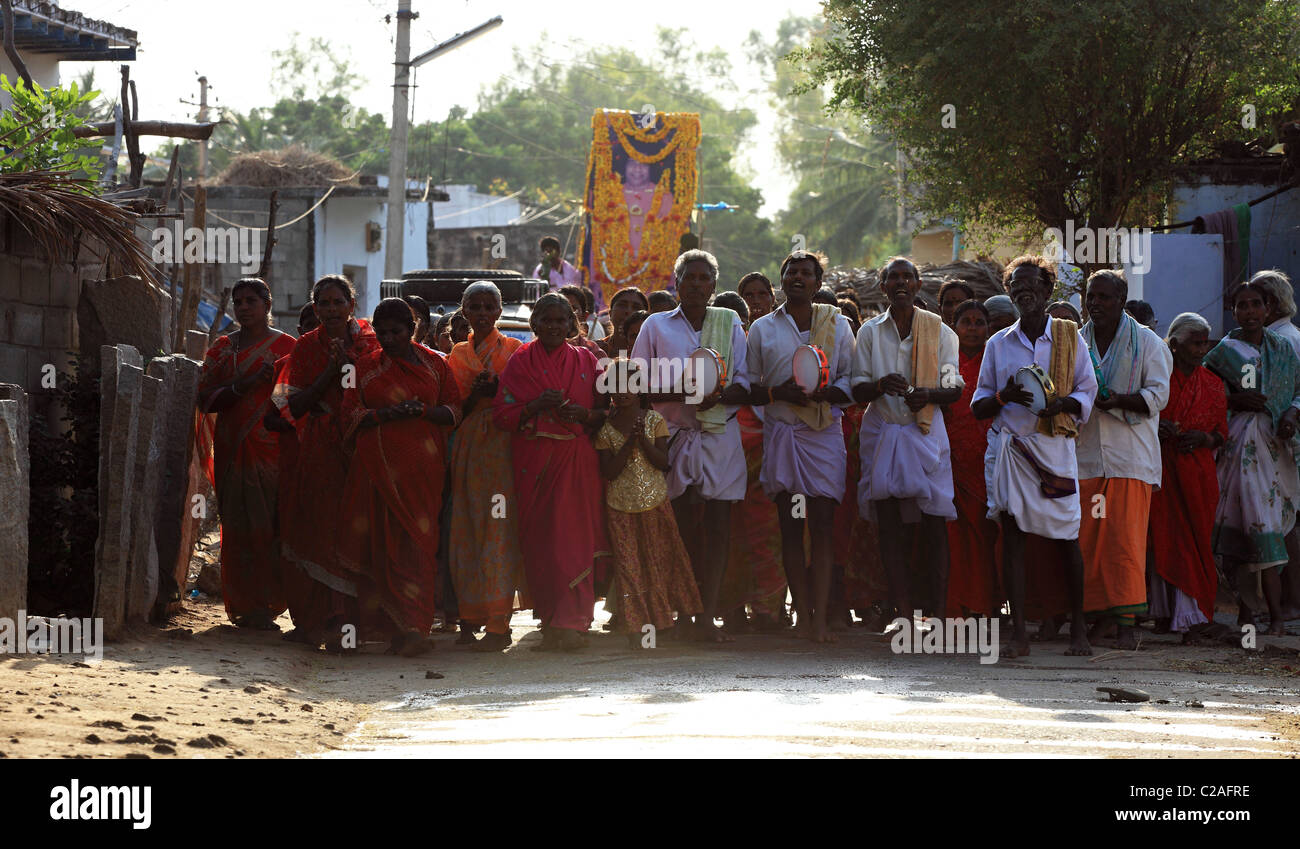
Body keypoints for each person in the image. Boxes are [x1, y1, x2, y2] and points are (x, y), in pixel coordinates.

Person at [972, 255, 1098, 658]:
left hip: (1054, 449)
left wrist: (1060, 402)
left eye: (1032, 284)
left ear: (1047, 291)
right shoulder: (998, 343)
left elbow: (1087, 391)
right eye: (1016, 285)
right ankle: (1019, 635)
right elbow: (978, 405)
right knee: (1012, 539)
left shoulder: (1068, 337)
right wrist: (1004, 396)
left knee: (1066, 538)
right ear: (1009, 292)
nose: (1023, 291)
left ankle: (1079, 629)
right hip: (1011, 450)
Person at [632, 249, 753, 642]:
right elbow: (637, 384)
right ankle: (681, 615)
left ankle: (707, 616)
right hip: (672, 438)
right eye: (690, 278)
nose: (697, 285)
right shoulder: (655, 325)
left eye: (705, 279)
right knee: (679, 528)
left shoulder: (729, 321)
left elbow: (746, 381)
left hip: (720, 435)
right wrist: (685, 393)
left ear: (714, 286)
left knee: (719, 529)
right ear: (677, 282)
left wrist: (717, 395)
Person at [338, 298, 462, 657]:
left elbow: (453, 410)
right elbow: (349, 415)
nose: (388, 338)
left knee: (419, 547)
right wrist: (387, 414)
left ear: (413, 330)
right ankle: (389, 626)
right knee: (379, 544)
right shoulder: (364, 367)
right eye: (382, 331)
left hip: (423, 471)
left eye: (396, 331)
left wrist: (422, 411)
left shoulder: (436, 364)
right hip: (376, 470)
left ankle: (415, 629)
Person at [748, 251, 855, 642]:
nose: (798, 277)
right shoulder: (762, 328)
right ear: (781, 280)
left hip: (823, 435)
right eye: (791, 272)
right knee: (791, 528)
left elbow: (851, 379)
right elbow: (746, 384)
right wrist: (780, 393)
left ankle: (822, 617)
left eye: (806, 273)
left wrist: (826, 394)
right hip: (784, 436)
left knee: (822, 526)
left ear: (817, 283)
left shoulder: (837, 325)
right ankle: (803, 618)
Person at [494, 293, 608, 651]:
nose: (555, 327)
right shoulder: (520, 362)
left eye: (562, 321)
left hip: (576, 462)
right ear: (536, 324)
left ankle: (574, 622)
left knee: (573, 541)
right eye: (547, 320)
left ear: (572, 325)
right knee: (542, 543)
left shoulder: (588, 360)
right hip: (535, 463)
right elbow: (502, 415)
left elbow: (607, 411)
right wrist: (535, 406)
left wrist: (584, 415)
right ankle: (550, 619)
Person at [852, 257, 962, 626]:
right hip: (883, 431)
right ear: (882, 286)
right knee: (889, 528)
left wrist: (926, 395)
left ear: (917, 285)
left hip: (926, 434)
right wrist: (881, 386)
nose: (900, 283)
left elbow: (953, 390)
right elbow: (858, 386)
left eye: (907, 277)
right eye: (892, 277)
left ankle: (941, 616)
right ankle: (902, 613)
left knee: (934, 525)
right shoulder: (869, 332)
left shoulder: (942, 333)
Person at [282, 275, 381, 650]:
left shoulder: (373, 341)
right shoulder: (305, 347)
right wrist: (330, 371)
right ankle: (327, 620)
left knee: (360, 531)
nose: (331, 310)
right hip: (322, 445)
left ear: (352, 305)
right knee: (322, 528)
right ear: (315, 308)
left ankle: (362, 625)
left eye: (338, 302)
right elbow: (290, 404)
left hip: (364, 445)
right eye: (324, 303)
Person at [1077, 270, 1172, 649]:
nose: (1095, 303)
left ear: (1121, 299)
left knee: (1124, 543)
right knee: (1089, 542)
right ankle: (1097, 619)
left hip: (1130, 460)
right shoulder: (1075, 343)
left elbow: (1157, 396)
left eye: (1104, 297)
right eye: (1090, 296)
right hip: (1085, 459)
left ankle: (1126, 624)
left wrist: (1116, 400)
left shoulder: (1148, 343)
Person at [196, 278, 295, 629]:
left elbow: (296, 402)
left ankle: (271, 601)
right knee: (237, 525)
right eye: (238, 302)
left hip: (273, 450)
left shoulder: (288, 348)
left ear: (268, 305)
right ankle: (245, 606)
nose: (243, 307)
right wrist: (246, 384)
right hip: (233, 445)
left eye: (251, 300)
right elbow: (205, 398)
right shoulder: (224, 348)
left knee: (272, 524)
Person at [1204, 281, 1300, 636]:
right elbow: (1205, 393)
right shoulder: (1223, 352)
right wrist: (1233, 402)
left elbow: (1297, 392)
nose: (1249, 312)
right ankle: (1254, 616)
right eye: (1241, 306)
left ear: (1268, 308)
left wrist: (1290, 413)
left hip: (1276, 449)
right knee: (1252, 530)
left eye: (1255, 305)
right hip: (1238, 449)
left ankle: (1266, 617)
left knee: (1266, 528)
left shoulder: (1283, 349)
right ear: (1233, 312)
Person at [595, 358, 703, 646]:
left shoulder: (654, 420)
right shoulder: (606, 428)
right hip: (620, 507)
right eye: (616, 386)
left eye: (630, 385)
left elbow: (663, 462)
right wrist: (629, 443)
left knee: (658, 560)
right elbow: (609, 471)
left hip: (655, 503)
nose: (623, 392)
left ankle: (664, 621)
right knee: (630, 565)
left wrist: (641, 440)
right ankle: (636, 625)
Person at [447, 282, 526, 652]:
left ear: (499, 311)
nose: (481, 313)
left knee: (499, 535)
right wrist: (475, 395)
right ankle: (468, 619)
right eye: (474, 307)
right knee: (465, 533)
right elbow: (449, 407)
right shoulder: (456, 355)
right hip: (466, 451)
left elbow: (524, 399)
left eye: (488, 306)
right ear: (464, 312)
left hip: (503, 451)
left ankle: (498, 624)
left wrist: (499, 390)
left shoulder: (515, 351)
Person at [1148, 312, 1226, 637]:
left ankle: (1194, 615)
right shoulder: (1156, 380)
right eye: (1196, 343)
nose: (1202, 349)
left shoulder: (1212, 383)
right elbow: (1142, 416)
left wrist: (1204, 438)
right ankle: (1165, 614)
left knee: (1196, 542)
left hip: (1198, 474)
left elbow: (1221, 433)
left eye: (1205, 343)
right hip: (1163, 470)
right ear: (1175, 345)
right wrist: (1157, 427)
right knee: (1163, 540)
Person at [943, 299, 1001, 617]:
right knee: (954, 534)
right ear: (954, 326)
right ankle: (955, 607)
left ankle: (984, 605)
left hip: (986, 459)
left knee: (984, 533)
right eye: (966, 321)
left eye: (980, 322)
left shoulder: (994, 360)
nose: (973, 328)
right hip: (948, 457)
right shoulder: (945, 359)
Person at [599, 286, 649, 358]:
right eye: (622, 305)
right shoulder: (596, 350)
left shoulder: (652, 353)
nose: (628, 311)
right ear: (610, 313)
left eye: (636, 307)